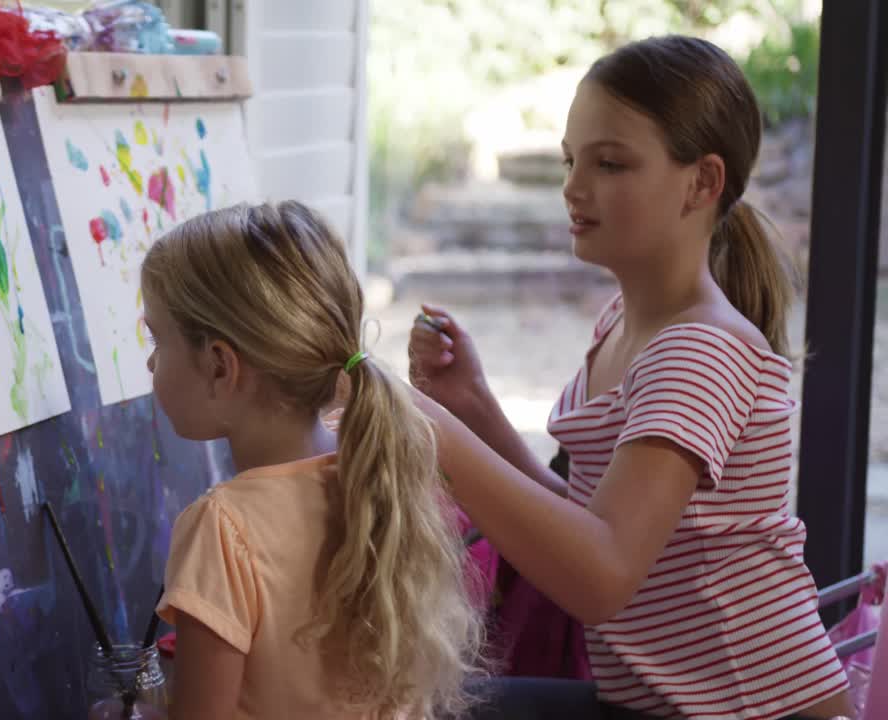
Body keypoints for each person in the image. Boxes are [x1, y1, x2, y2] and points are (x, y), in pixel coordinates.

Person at [409, 35, 854, 719]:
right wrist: (472, 406)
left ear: (702, 182)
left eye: (610, 163)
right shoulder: (623, 323)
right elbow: (592, 523)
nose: (573, 187)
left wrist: (434, 432)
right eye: (571, 160)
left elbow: (601, 575)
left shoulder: (700, 352)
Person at [144, 201, 486, 719]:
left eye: (157, 339)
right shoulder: (377, 466)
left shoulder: (221, 527)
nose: (151, 361)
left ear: (219, 366)